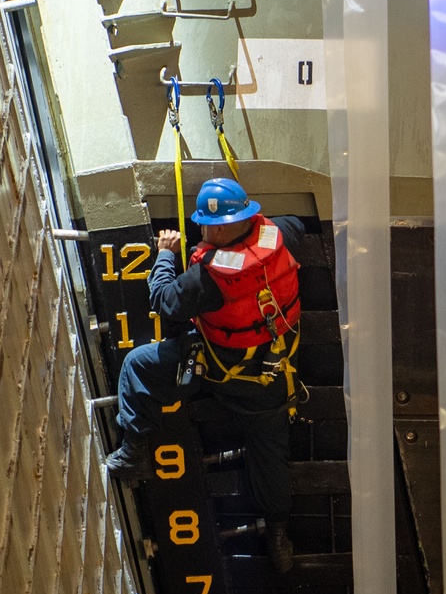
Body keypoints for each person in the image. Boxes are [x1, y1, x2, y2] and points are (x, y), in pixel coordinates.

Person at [104, 177, 303, 572]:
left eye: (207, 226)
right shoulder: (282, 235)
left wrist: (165, 255)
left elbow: (164, 301)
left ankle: (133, 454)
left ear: (218, 227)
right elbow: (294, 223)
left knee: (138, 366)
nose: (203, 231)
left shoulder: (211, 277)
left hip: (221, 369)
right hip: (274, 373)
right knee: (270, 454)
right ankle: (279, 535)